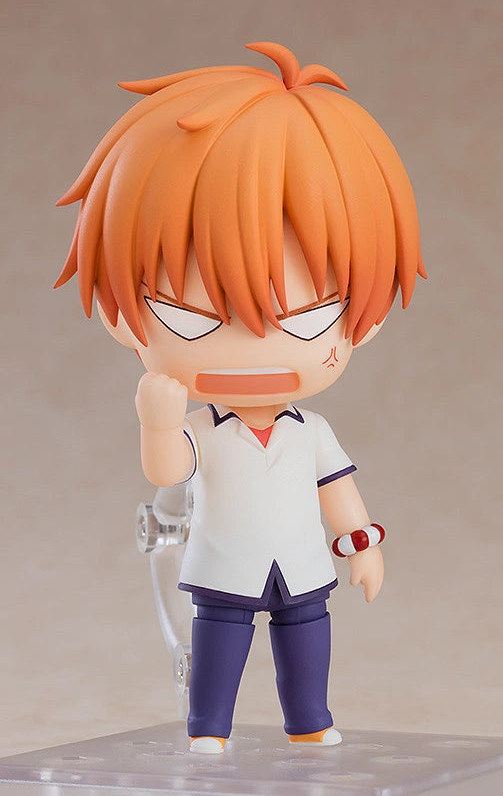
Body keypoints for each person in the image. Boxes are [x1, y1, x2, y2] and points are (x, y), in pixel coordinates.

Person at [56, 41, 425, 754]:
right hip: (223, 565)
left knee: (307, 643)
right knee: (219, 647)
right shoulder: (202, 426)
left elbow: (338, 491)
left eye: (309, 318)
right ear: (121, 317)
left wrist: (361, 545)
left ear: (367, 316)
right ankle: (209, 728)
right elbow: (168, 470)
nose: (254, 349)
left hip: (303, 567)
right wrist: (157, 422)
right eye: (189, 318)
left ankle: (309, 720)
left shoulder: (311, 429)